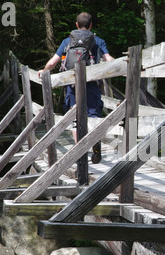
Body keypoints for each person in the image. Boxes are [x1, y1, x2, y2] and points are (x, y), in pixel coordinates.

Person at [38, 12, 115, 164]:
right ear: (91, 25)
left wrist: (44, 70)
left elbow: (53, 62)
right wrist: (125, 64)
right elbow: (108, 59)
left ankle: (80, 151)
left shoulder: (68, 41)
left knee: (75, 118)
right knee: (94, 116)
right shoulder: (98, 41)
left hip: (72, 86)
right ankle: (95, 145)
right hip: (92, 85)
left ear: (76, 25)